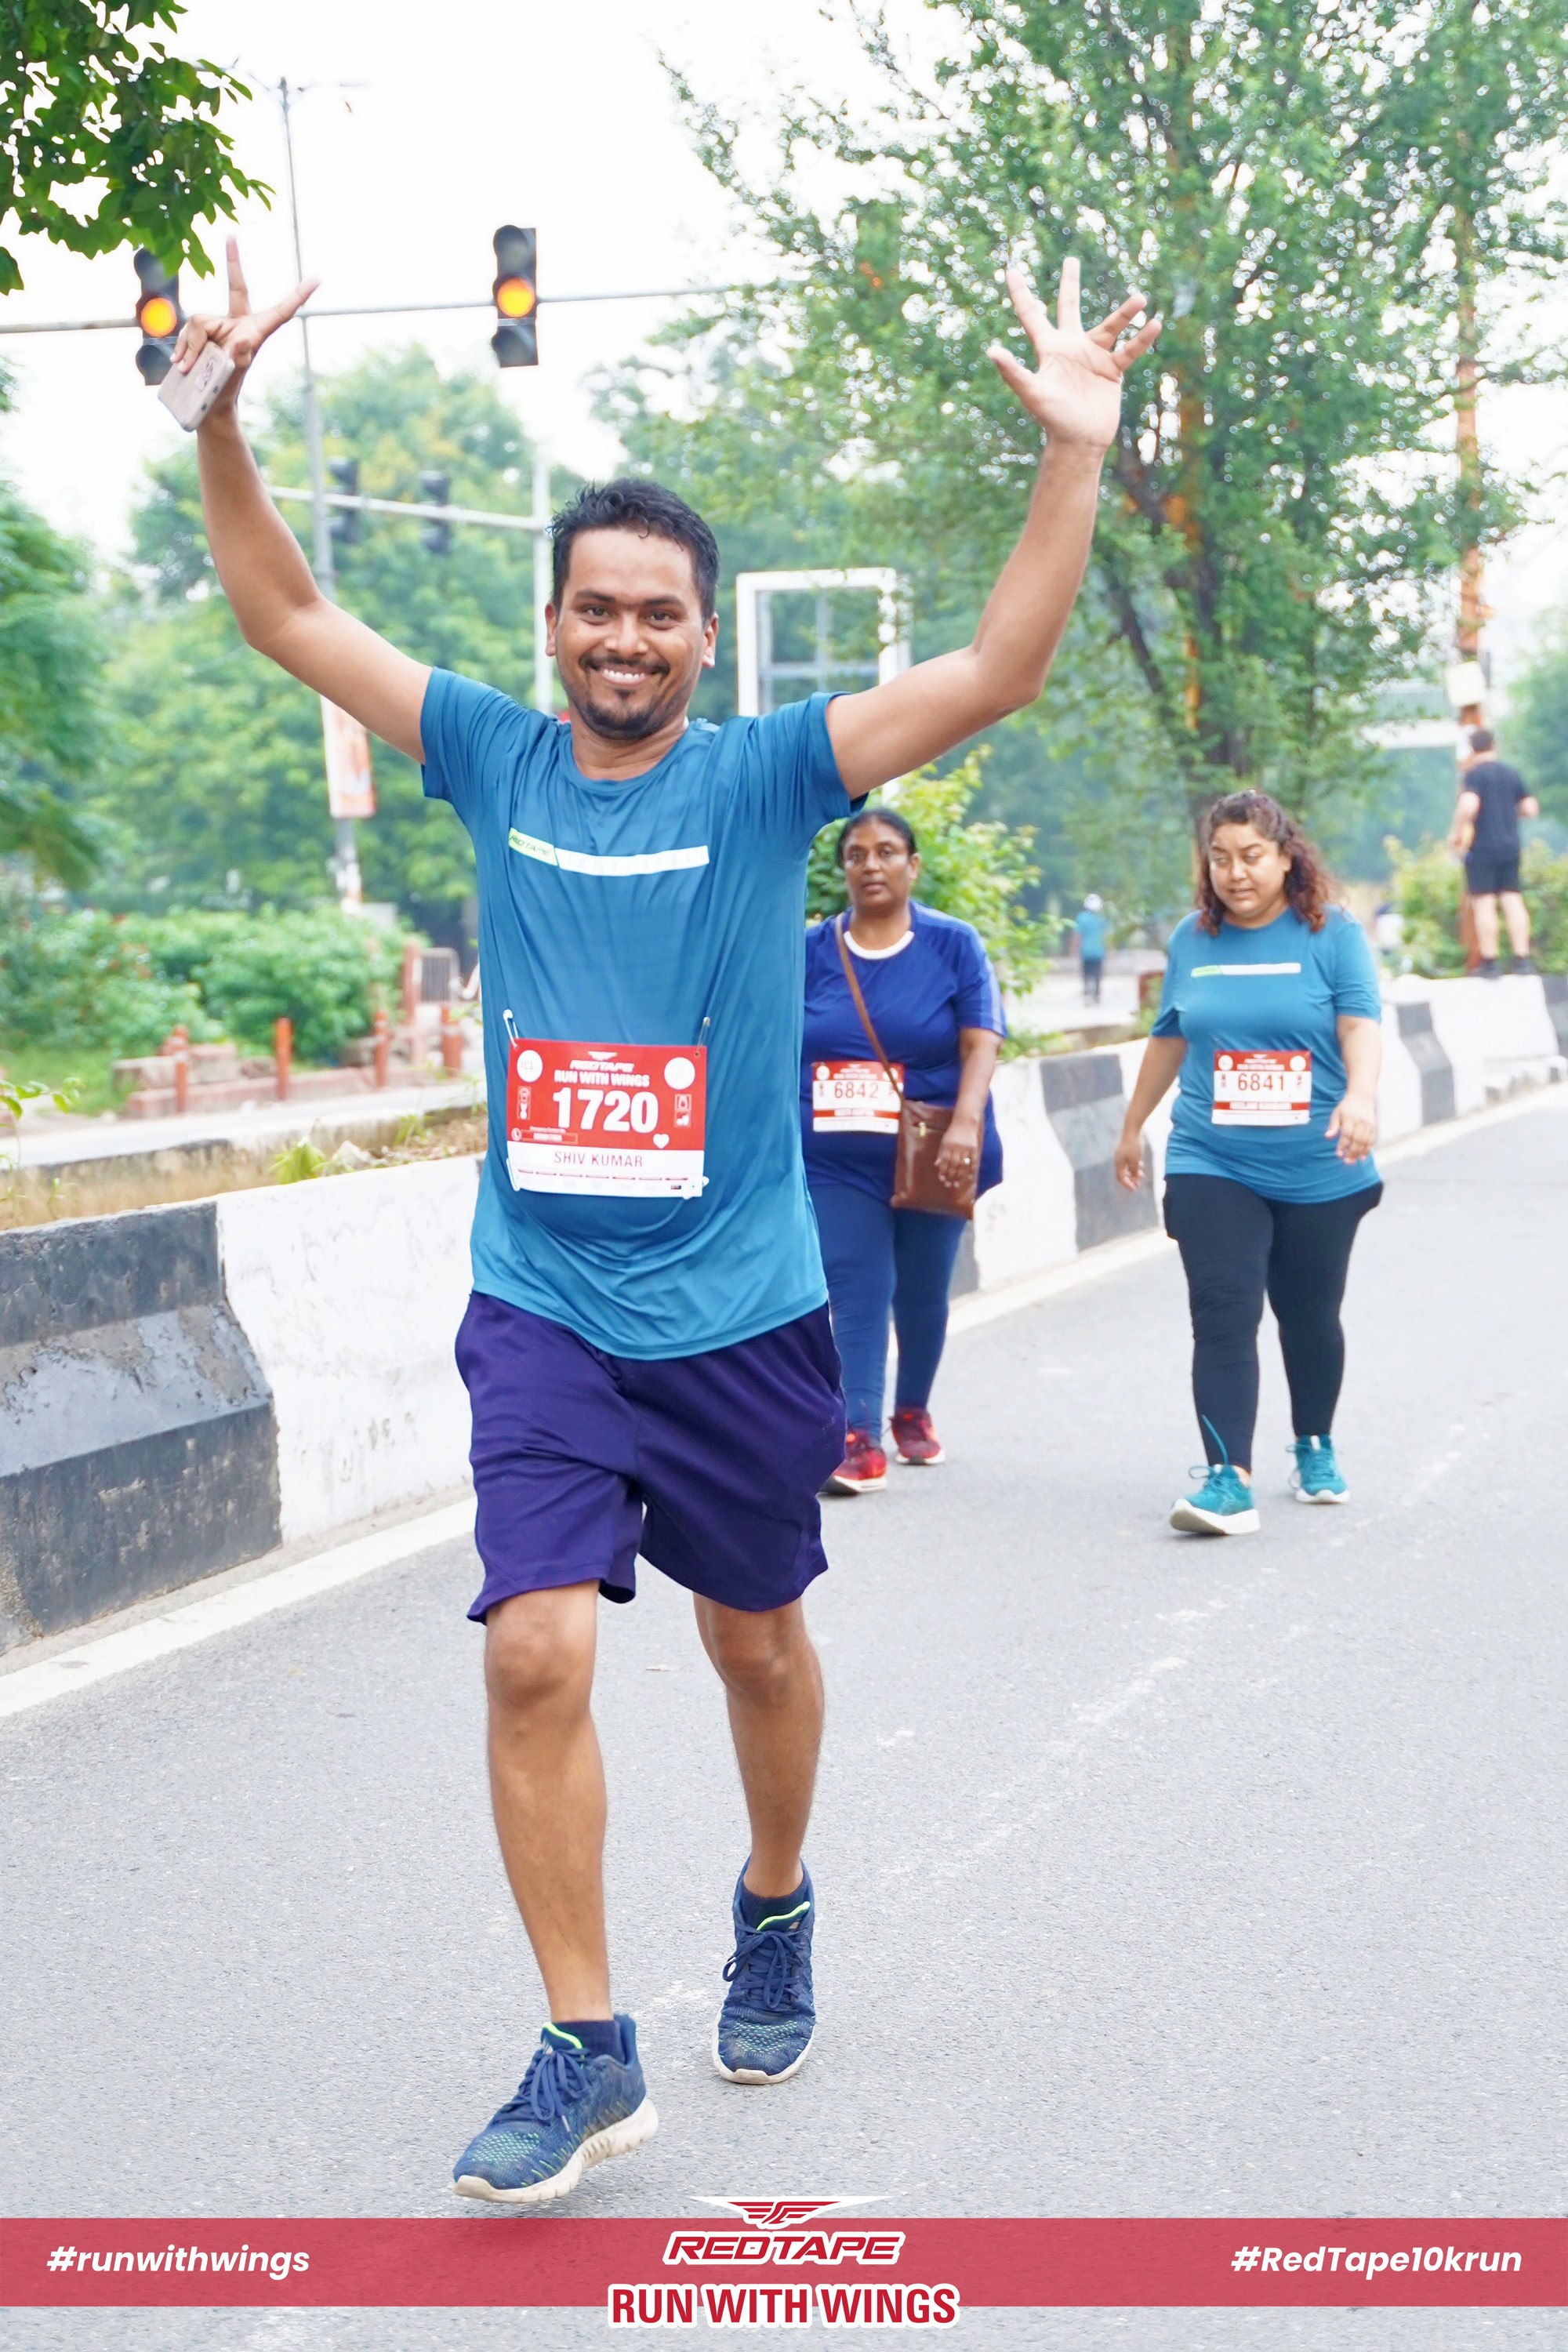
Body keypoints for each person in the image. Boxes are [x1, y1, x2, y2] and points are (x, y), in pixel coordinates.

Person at [173, 238, 1159, 2202]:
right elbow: (283, 607)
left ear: (706, 639)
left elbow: (999, 669)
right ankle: (585, 2042)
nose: (622, 640)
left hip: (741, 1309)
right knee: (532, 1650)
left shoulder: (774, 776)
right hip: (544, 1300)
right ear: (553, 623)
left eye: (657, 615)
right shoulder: (486, 751)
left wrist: (1073, 453)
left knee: (754, 1642)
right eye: (595, 610)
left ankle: (773, 1900)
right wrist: (216, 424)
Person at [1113, 790, 1383, 1535]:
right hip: (1212, 1156)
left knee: (1308, 1314)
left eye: (1252, 857)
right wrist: (1133, 1125)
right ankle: (1227, 1480)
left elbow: (1360, 1024)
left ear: (1286, 858)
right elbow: (1170, 1035)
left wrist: (1361, 1096)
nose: (1236, 873)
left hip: (1317, 1162)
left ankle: (1315, 1442)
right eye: (1221, 858)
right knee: (1223, 1313)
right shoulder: (1192, 939)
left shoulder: (1332, 934)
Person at [801, 807, 1004, 1491]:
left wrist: (967, 1124)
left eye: (887, 852)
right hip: (834, 1156)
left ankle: (911, 1411)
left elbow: (982, 1038)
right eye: (857, 854)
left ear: (913, 866)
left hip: (932, 1149)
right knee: (855, 1283)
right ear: (843, 871)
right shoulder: (810, 950)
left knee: (921, 1290)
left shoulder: (953, 944)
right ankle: (858, 1437)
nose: (872, 865)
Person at [1448, 728, 1539, 975]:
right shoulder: (1511, 773)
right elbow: (1530, 808)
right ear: (1493, 746)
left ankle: (1490, 961)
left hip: (1482, 848)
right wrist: (1508, 811)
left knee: (1484, 903)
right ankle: (1523, 959)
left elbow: (1469, 805)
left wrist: (1456, 832)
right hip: (1510, 847)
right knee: (1512, 898)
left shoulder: (1474, 775)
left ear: (1472, 750)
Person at [1072, 891, 1108, 1002]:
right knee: (1097, 974)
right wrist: (1111, 949)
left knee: (1086, 973)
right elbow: (1107, 935)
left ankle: (1087, 993)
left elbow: (1078, 935)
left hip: (1085, 951)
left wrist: (1074, 948)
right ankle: (1096, 995)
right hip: (1099, 951)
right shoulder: (1103, 918)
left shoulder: (1081, 918)